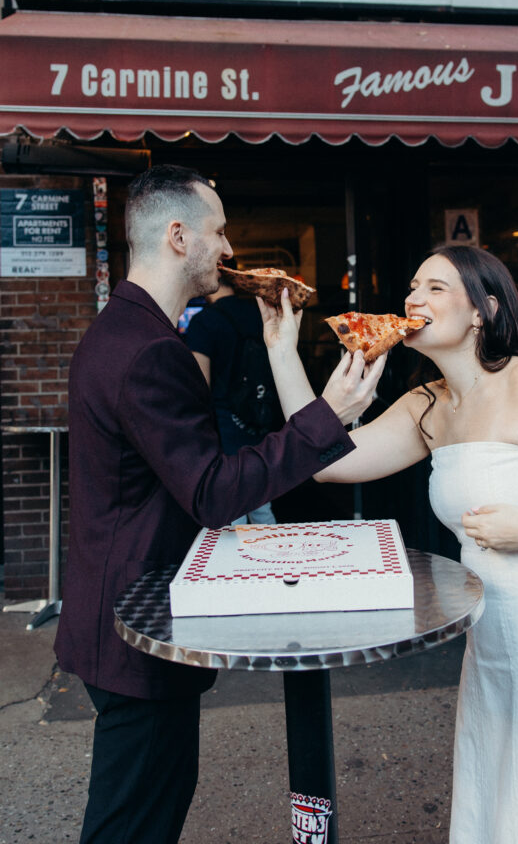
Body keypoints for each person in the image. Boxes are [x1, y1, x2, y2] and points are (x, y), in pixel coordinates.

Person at [263, 245, 518, 844]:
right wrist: (281, 349)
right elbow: (326, 462)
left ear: (483, 309)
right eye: (412, 286)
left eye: (435, 288)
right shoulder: (427, 405)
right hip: (495, 640)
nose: (412, 299)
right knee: (510, 797)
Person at [54, 164, 385, 844]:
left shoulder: (122, 331)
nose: (229, 249)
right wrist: (329, 416)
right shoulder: (149, 351)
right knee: (132, 825)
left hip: (113, 617)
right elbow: (210, 492)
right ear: (178, 237)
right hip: (134, 632)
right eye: (218, 230)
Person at [185, 266, 278, 525]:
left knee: (231, 508)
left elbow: (199, 384)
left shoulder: (204, 322)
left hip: (225, 424)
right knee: (261, 503)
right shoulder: (259, 314)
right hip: (261, 417)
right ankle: (272, 560)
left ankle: (235, 563)